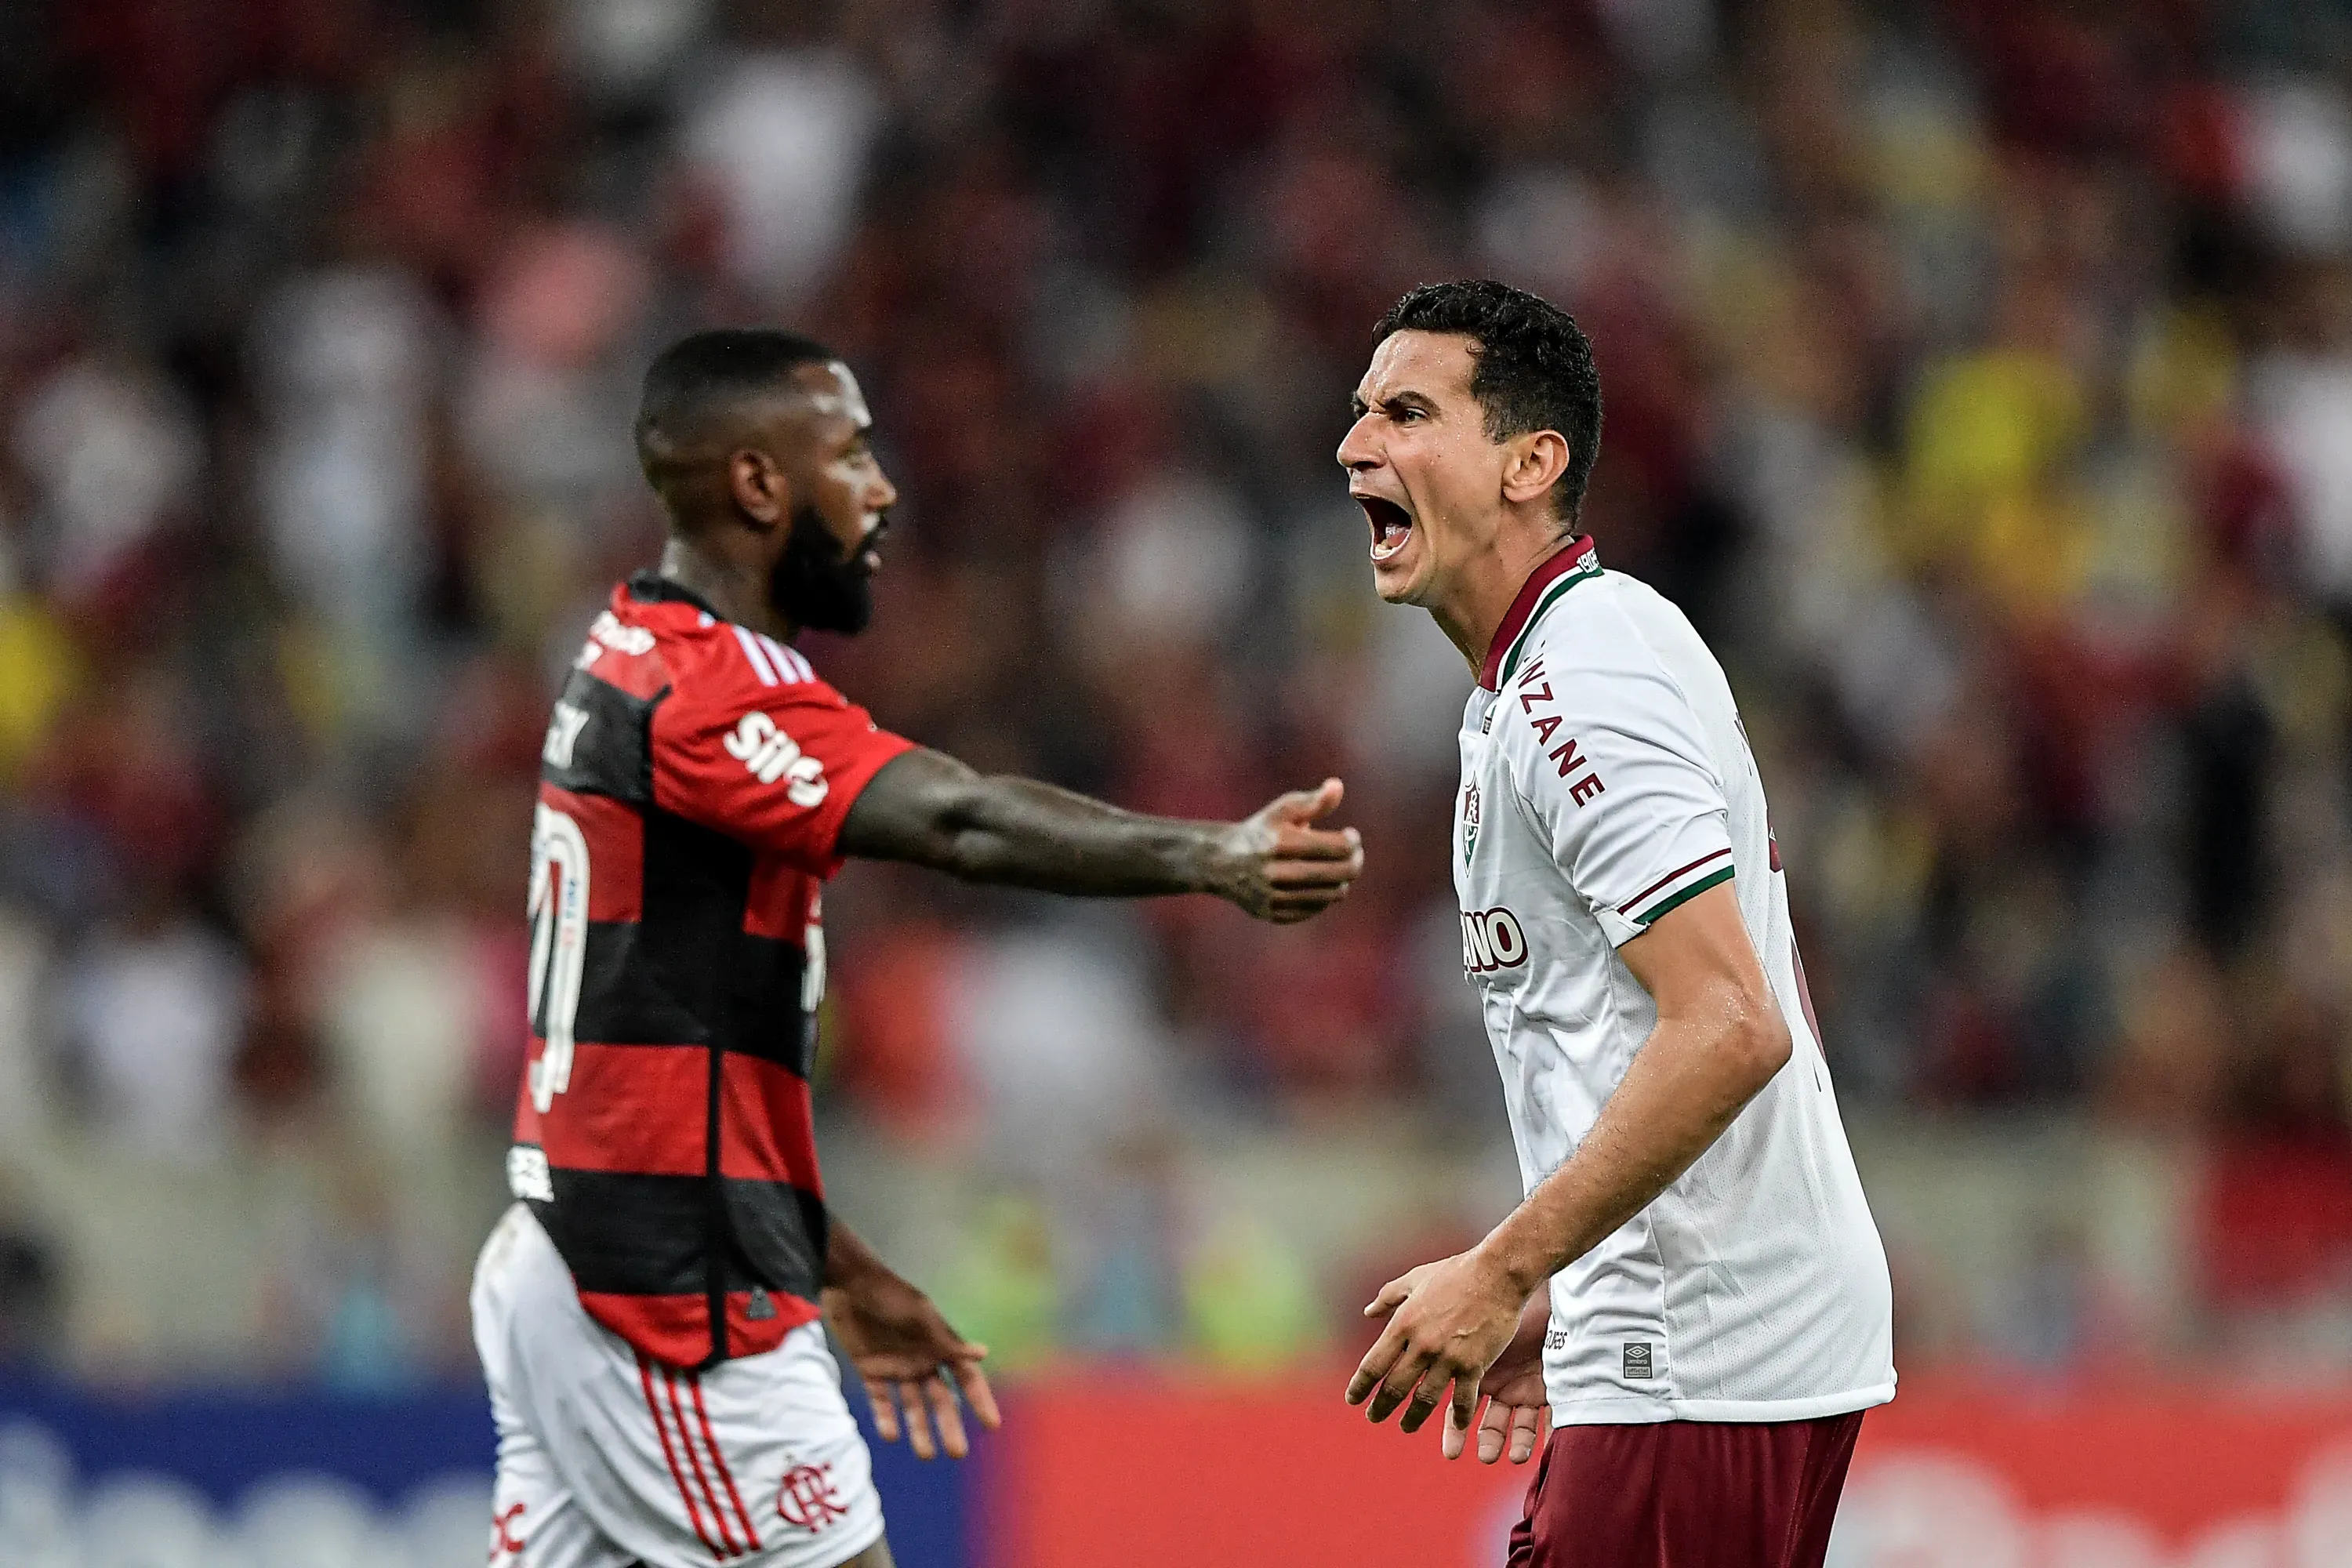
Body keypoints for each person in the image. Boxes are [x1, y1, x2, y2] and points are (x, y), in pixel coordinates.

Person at [474, 328, 1363, 1568]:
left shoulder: (628, 647)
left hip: (591, 1250)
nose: (882, 488)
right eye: (848, 453)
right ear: (757, 485)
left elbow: (680, 1056)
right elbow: (958, 818)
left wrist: (834, 1265)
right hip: (667, 1294)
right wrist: (1209, 857)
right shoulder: (705, 694)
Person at [1336, 281, 1893, 1568]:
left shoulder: (1583, 678)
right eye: (1361, 411)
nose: (1358, 445)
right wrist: (1568, 1282)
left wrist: (1503, 1269)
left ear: (1533, 463)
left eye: (1409, 412)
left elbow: (1731, 1024)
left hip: (1696, 1345)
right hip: (1694, 1331)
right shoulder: (1551, 669)